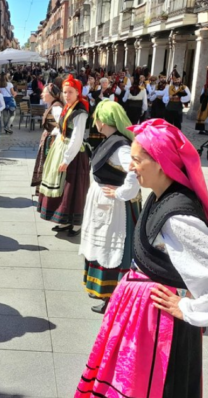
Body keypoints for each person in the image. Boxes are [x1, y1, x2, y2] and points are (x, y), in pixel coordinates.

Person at [75, 118, 208, 398]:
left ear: (162, 163)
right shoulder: (161, 195)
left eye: (138, 159)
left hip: (156, 328)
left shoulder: (178, 216)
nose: (132, 166)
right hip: (141, 320)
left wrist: (188, 307)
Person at [79, 100, 141, 314]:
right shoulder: (112, 141)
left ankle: (115, 299)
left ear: (102, 120)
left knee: (114, 249)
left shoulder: (120, 146)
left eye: (96, 117)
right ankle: (109, 297)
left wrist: (121, 193)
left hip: (116, 208)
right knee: (102, 245)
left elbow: (134, 171)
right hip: (105, 203)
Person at [37, 75, 90, 236]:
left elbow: (77, 136)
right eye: (65, 92)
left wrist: (67, 158)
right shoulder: (68, 107)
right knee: (62, 186)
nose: (67, 95)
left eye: (70, 92)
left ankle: (76, 223)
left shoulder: (80, 111)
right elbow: (62, 128)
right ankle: (65, 220)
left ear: (77, 93)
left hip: (73, 153)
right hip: (62, 146)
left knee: (71, 187)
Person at [31, 84, 63, 196]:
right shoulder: (52, 106)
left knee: (49, 165)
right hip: (49, 140)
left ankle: (47, 190)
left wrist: (53, 136)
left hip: (52, 142)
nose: (41, 94)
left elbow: (62, 127)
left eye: (44, 92)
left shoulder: (57, 108)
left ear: (51, 95)